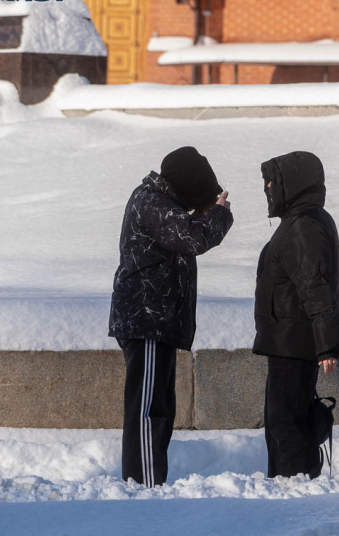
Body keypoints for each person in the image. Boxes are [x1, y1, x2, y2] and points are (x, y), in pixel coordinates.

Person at [109, 146, 233, 487]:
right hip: (146, 321)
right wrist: (218, 213)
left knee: (159, 409)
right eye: (199, 195)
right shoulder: (151, 201)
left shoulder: (161, 202)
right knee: (148, 410)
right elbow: (193, 237)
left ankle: (150, 482)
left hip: (157, 323)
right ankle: (143, 487)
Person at [253, 150, 339, 479]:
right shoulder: (301, 221)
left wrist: (326, 345)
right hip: (287, 342)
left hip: (294, 344)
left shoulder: (303, 227)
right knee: (285, 421)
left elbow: (315, 287)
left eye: (272, 181)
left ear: (292, 184)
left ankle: (294, 493)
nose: (266, 187)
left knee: (286, 424)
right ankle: (289, 488)